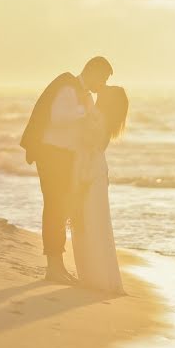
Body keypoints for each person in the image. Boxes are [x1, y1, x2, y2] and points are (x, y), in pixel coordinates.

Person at [19, 57, 113, 284]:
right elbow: (59, 117)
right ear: (92, 71)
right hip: (51, 154)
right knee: (54, 207)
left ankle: (57, 266)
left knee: (61, 209)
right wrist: (87, 113)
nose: (103, 85)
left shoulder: (84, 96)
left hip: (66, 157)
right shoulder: (68, 87)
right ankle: (53, 267)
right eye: (102, 79)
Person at [70, 85, 128, 294]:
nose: (102, 88)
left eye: (107, 90)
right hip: (96, 171)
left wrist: (81, 178)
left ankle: (94, 277)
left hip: (89, 171)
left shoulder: (98, 118)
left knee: (88, 221)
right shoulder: (106, 121)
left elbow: (87, 146)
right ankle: (99, 276)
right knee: (97, 222)